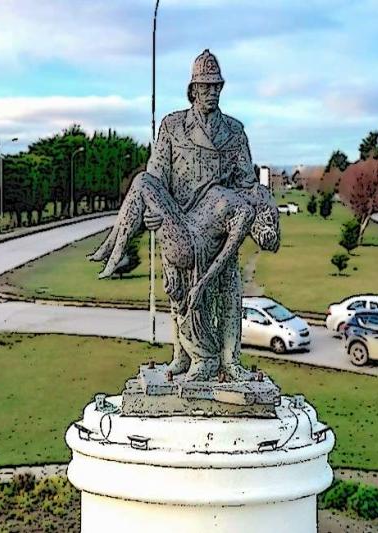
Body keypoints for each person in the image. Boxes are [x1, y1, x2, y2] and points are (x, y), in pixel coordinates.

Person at [90, 49, 279, 382]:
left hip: (218, 227)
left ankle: (229, 361)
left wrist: (258, 218)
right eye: (204, 87)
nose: (211, 93)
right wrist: (152, 212)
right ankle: (182, 356)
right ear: (192, 89)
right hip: (177, 221)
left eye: (216, 86)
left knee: (227, 293)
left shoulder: (235, 132)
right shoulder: (172, 126)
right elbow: (157, 174)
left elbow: (247, 184)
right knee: (177, 295)